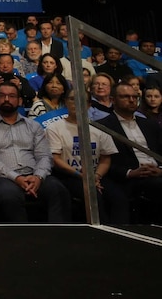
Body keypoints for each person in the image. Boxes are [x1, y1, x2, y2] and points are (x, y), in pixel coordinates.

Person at [0, 82, 71, 223]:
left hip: (34, 174)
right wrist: (16, 178)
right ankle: (21, 240)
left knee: (58, 190)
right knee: (9, 195)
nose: (7, 99)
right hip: (4, 178)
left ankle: (56, 237)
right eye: (2, 95)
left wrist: (38, 177)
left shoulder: (34, 126)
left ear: (20, 101)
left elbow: (44, 156)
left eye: (12, 96)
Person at [46, 88, 127, 224]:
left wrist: (96, 176)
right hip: (69, 175)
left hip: (96, 175)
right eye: (72, 99)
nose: (76, 103)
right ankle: (102, 235)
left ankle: (124, 233)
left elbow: (105, 159)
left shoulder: (99, 128)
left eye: (82, 100)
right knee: (93, 195)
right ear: (66, 102)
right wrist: (82, 175)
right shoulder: (54, 128)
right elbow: (56, 159)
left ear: (89, 105)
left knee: (119, 198)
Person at [98, 83, 162, 222]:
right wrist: (129, 172)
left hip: (155, 172)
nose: (132, 100)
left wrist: (160, 170)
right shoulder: (102, 126)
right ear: (113, 100)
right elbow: (103, 161)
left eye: (134, 97)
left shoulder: (150, 125)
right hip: (126, 178)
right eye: (125, 97)